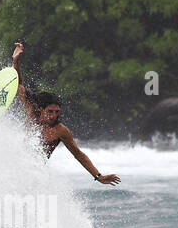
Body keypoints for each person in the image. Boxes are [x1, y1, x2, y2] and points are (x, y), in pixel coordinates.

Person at [11, 41, 120, 185]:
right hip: (16, 168)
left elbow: (78, 154)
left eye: (57, 112)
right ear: (41, 109)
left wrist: (98, 176)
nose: (54, 115)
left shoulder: (61, 131)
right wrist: (16, 61)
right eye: (50, 111)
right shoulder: (32, 111)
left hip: (35, 175)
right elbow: (18, 85)